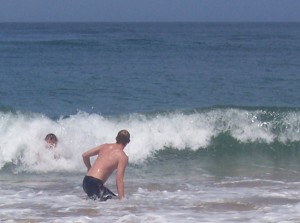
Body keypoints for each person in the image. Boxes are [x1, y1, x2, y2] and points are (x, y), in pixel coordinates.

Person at [82, 130, 130, 201]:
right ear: (128, 142)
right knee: (114, 203)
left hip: (86, 181)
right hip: (95, 184)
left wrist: (89, 168)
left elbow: (85, 155)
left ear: (116, 138)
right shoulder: (123, 157)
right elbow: (119, 180)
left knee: (101, 203)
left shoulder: (104, 146)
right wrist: (122, 200)